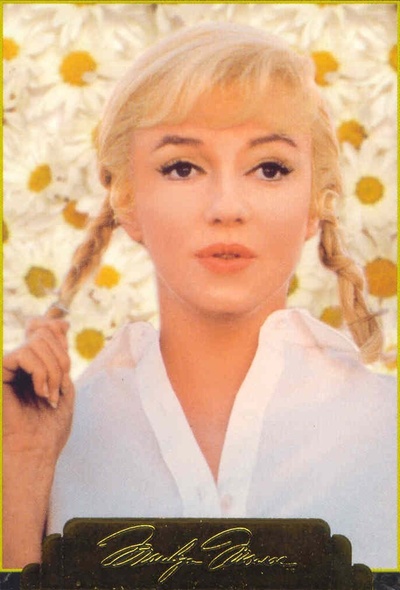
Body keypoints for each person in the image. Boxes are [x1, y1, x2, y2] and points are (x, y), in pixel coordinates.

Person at [3, 23, 396, 571]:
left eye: (269, 168)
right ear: (127, 201)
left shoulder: (386, 426)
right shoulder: (42, 435)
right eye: (182, 167)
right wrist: (22, 466)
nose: (227, 207)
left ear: (314, 204)